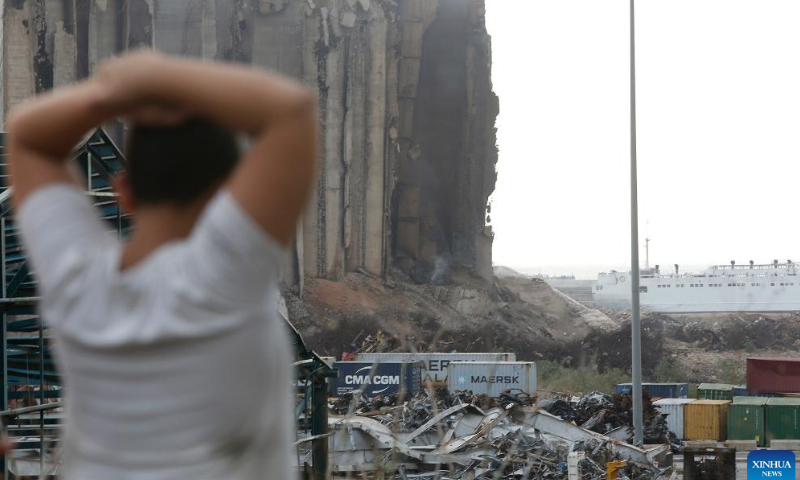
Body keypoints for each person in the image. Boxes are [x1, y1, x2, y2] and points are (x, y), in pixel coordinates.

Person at [6, 51, 317, 479]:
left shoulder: (77, 283)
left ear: (124, 192)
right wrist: (152, 79)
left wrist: (114, 95)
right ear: (228, 196)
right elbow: (292, 110)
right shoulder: (225, 277)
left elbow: (27, 136)